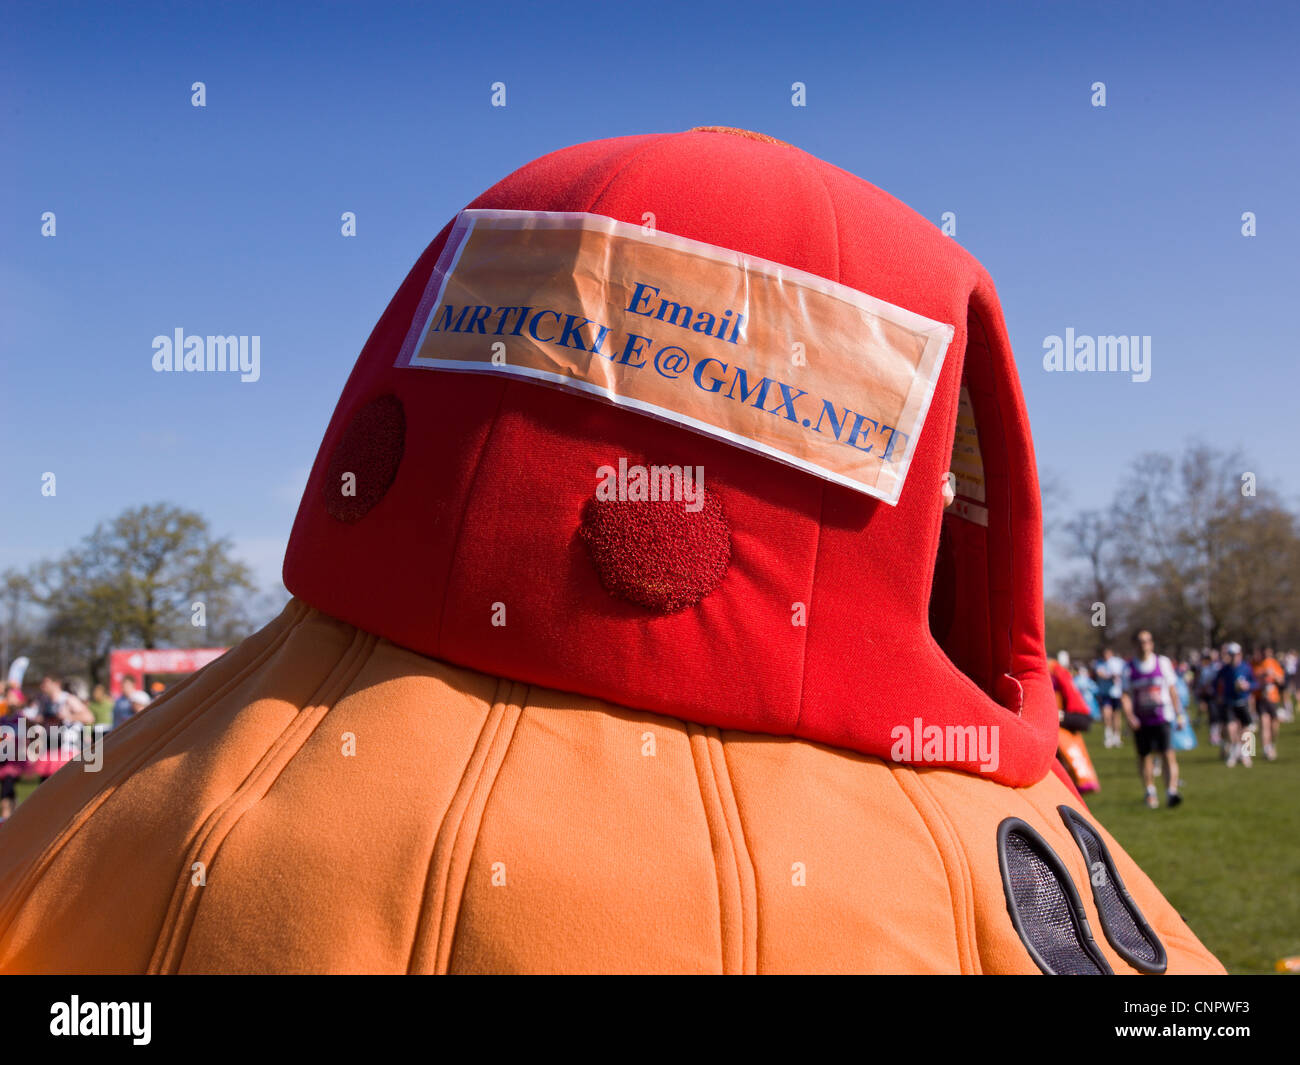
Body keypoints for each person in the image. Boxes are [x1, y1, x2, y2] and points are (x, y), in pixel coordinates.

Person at [1122, 630, 1186, 808]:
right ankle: (1150, 792)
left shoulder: (1163, 663)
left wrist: (1179, 714)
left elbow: (1173, 691)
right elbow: (1125, 695)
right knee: (1145, 757)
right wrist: (1129, 716)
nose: (1144, 644)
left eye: (1147, 641)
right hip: (1141, 721)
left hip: (1162, 717)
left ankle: (1171, 791)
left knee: (1168, 754)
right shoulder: (1129, 669)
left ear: (1152, 643)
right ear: (1135, 645)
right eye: (1141, 641)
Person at [1215, 643, 1257, 768]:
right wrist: (1218, 694)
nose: (1233, 657)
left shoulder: (1246, 667)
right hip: (1229, 702)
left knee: (1246, 729)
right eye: (1231, 655)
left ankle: (1247, 753)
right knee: (1230, 728)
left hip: (1243, 702)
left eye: (1236, 654)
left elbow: (1254, 683)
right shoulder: (1225, 669)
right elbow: (1216, 683)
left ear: (1240, 654)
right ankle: (1234, 750)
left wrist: (1248, 686)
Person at [1252, 647, 1284, 762]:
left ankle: (1272, 744)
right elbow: (1251, 681)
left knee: (1274, 725)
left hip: (1273, 698)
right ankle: (1266, 749)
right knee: (1264, 724)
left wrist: (1273, 675)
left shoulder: (1273, 663)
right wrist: (1260, 678)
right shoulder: (1254, 665)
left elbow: (1281, 680)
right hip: (1260, 698)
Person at [1095, 646, 1126, 748]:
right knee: (1106, 714)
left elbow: (1123, 673)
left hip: (1116, 693)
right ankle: (1108, 736)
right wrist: (1110, 677)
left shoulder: (1118, 662)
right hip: (1105, 693)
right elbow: (1100, 674)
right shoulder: (1099, 663)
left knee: (1116, 716)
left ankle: (1116, 737)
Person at [1196, 647, 1224, 746]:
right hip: (1209, 695)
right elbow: (1202, 682)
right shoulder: (1205, 668)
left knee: (1218, 716)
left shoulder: (1218, 666)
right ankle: (1214, 736)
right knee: (1213, 715)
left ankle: (1217, 735)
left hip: (1217, 694)